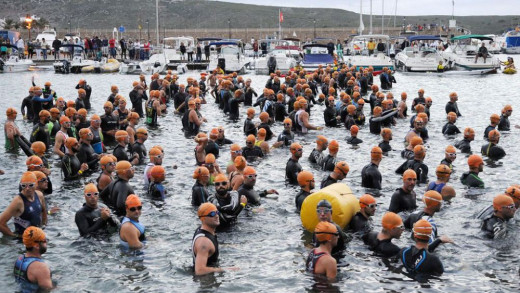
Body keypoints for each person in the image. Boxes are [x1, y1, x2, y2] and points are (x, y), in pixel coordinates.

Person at [0, 172, 50, 238]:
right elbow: (1, 223)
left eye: (31, 185)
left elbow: (44, 211)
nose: (27, 188)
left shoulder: (39, 195)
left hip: (38, 235)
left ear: (36, 184)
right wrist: (16, 236)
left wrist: (44, 226)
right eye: (23, 186)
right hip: (23, 241)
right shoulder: (18, 201)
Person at [192, 203, 232, 275]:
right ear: (203, 218)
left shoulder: (204, 230)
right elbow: (199, 271)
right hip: (205, 280)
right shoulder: (204, 242)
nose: (217, 216)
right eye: (212, 214)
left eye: (217, 212)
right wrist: (226, 269)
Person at [13, 226, 54, 292]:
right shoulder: (41, 268)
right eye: (44, 240)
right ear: (36, 246)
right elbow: (47, 290)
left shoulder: (19, 259)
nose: (46, 243)